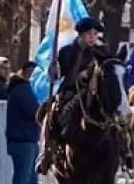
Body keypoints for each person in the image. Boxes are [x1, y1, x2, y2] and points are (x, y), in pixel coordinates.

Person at [36, 17, 110, 174]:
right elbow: (57, 74)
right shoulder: (67, 51)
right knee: (50, 114)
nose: (92, 38)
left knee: (115, 115)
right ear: (80, 35)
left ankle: (124, 150)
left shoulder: (102, 52)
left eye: (95, 34)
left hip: (96, 94)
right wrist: (53, 70)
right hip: (71, 93)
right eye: (89, 34)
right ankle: (46, 152)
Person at [5, 61, 41, 184]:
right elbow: (35, 111)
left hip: (27, 138)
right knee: (23, 178)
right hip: (22, 139)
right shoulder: (22, 90)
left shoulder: (22, 89)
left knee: (30, 178)